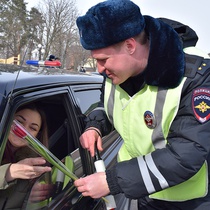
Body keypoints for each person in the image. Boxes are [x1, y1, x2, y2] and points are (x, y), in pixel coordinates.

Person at [74, 0, 210, 209]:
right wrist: (95, 126)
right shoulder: (116, 72)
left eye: (103, 59)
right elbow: (107, 105)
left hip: (189, 200)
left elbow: (187, 154)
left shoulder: (196, 75)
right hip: (143, 194)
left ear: (130, 45)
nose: (99, 69)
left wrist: (111, 181)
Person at [0, 103, 52, 209]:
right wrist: (9, 172)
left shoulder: (38, 164)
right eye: (19, 121)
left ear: (37, 135)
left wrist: (30, 198)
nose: (23, 130)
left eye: (32, 128)